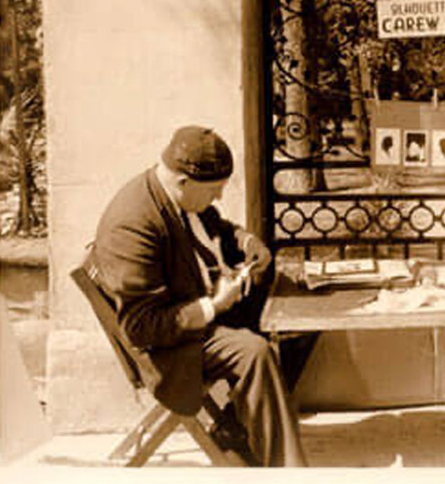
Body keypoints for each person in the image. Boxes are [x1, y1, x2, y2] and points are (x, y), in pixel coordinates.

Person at [86, 125, 308, 466]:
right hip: (170, 349)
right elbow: (142, 327)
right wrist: (213, 305)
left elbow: (221, 227)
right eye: (215, 189)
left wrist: (249, 245)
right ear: (183, 181)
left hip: (197, 316)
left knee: (299, 308)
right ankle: (288, 474)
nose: (218, 197)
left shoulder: (182, 197)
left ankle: (236, 426)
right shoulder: (132, 224)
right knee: (255, 352)